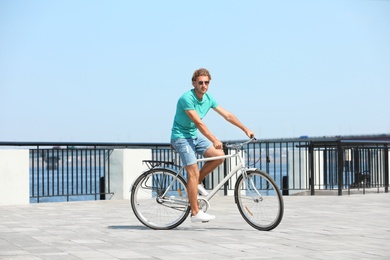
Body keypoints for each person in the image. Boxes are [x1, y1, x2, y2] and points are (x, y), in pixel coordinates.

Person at [170, 68, 255, 223]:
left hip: (194, 137)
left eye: (206, 83)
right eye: (200, 82)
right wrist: (214, 138)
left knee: (219, 156)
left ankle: (195, 184)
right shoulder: (186, 98)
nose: (204, 85)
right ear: (194, 83)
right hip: (181, 138)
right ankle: (195, 213)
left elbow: (227, 115)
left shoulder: (208, 98)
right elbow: (198, 122)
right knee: (193, 172)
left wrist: (245, 129)